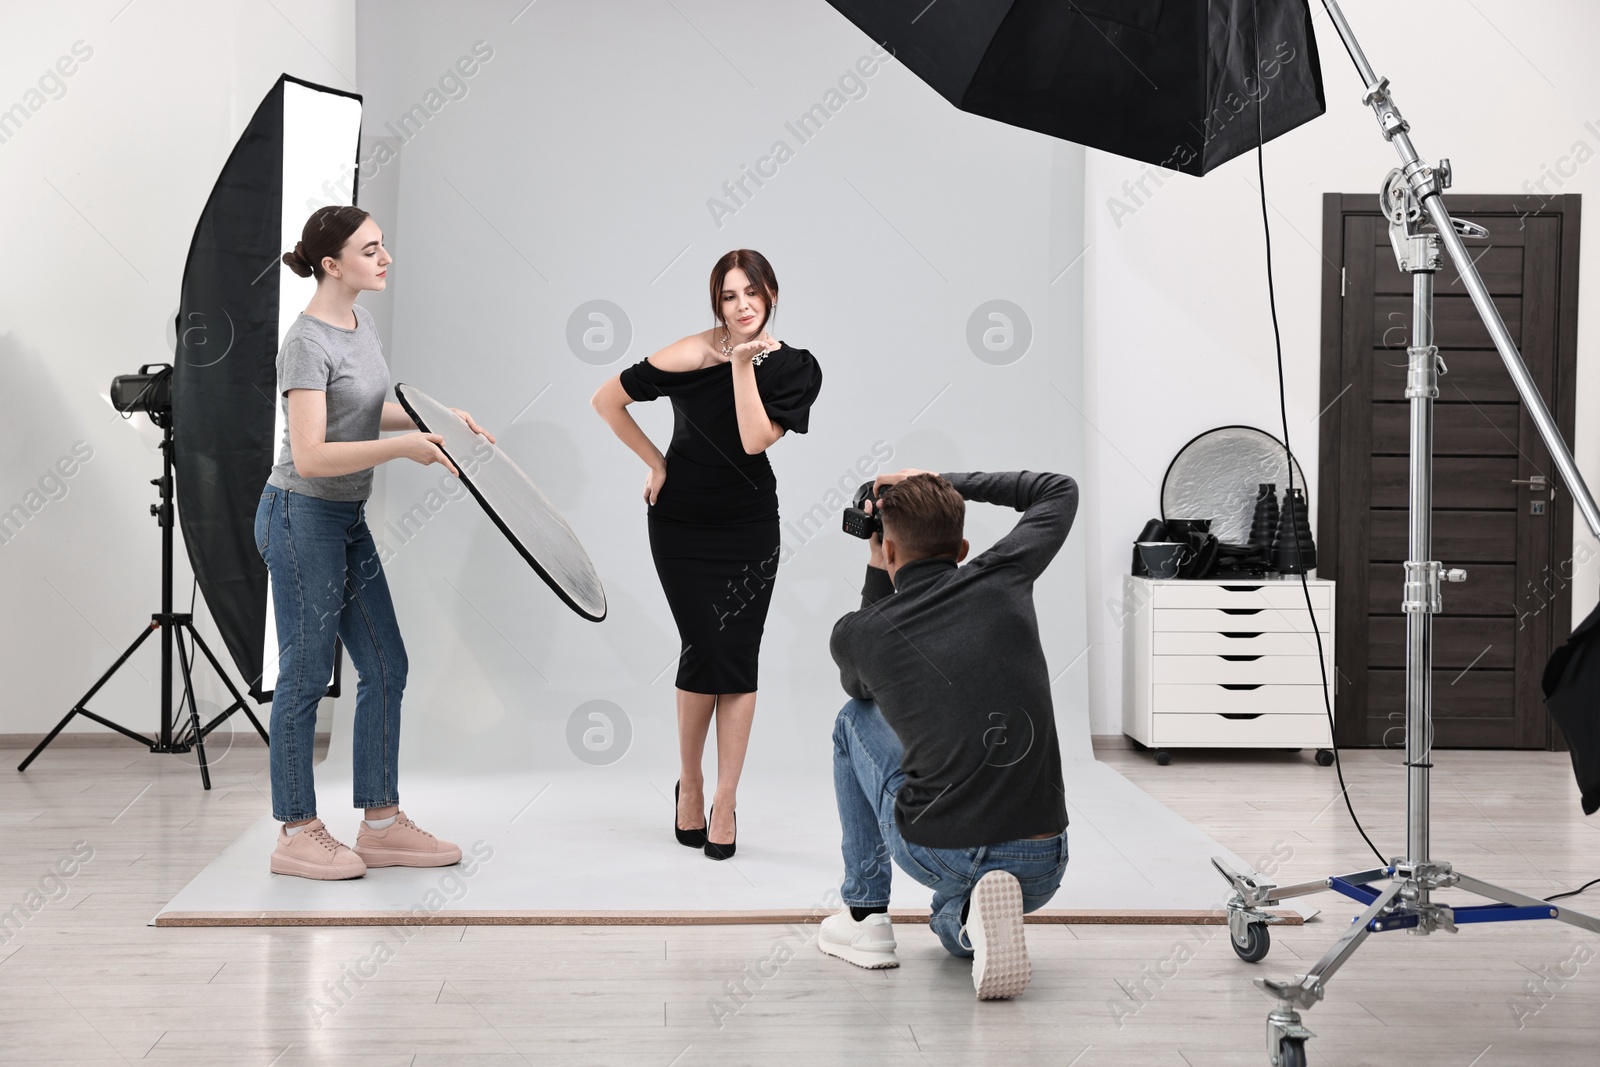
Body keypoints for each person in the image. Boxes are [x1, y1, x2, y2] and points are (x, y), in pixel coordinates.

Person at [256, 205, 495, 880]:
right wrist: (403, 449)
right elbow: (309, 454)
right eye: (371, 249)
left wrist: (437, 417)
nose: (386, 257)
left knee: (387, 663)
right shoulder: (306, 343)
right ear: (331, 264)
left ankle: (381, 823)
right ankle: (296, 830)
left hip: (344, 518)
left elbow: (360, 406)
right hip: (300, 516)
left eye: (383, 245)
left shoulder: (359, 324)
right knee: (304, 677)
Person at [590, 250, 822, 860]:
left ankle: (725, 797)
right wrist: (656, 461)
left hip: (748, 527)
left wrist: (744, 366)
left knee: (737, 656)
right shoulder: (689, 353)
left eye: (752, 292)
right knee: (702, 649)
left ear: (772, 293)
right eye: (728, 296)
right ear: (715, 302)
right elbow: (605, 400)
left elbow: (751, 440)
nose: (742, 305)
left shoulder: (797, 368)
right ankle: (688, 782)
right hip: (682, 524)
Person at [819, 468, 1078, 999]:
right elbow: (1058, 488)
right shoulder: (1004, 572)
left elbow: (863, 691)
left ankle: (865, 918)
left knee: (851, 721)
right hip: (1044, 855)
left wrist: (876, 561)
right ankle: (967, 921)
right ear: (962, 547)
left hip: (944, 850)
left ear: (888, 551)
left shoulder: (858, 633)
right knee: (949, 920)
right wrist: (941, 480)